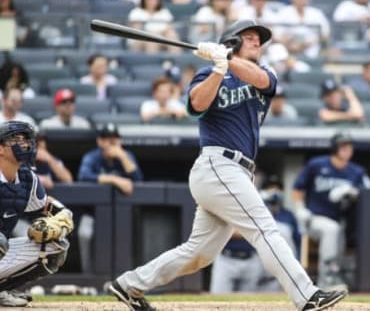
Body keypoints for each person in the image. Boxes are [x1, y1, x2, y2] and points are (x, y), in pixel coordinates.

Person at [108, 19, 347, 311]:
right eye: (249, 37)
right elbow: (196, 105)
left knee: (200, 253)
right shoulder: (208, 74)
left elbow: (261, 80)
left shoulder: (263, 73)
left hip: (235, 172)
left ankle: (130, 284)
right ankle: (306, 296)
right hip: (218, 164)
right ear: (232, 41)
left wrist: (227, 60)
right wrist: (218, 68)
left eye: (259, 39)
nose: (258, 42)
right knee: (265, 229)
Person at [0, 121, 73, 307]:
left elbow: (50, 207)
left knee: (56, 246)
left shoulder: (27, 178)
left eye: (25, 139)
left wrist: (64, 219)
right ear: (0, 148)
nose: (24, 144)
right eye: (15, 139)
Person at [292, 131, 370, 289]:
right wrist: (300, 209)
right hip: (315, 218)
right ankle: (327, 281)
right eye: (343, 147)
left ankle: (327, 283)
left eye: (349, 147)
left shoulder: (357, 171)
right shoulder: (317, 164)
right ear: (334, 148)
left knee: (337, 242)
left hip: (341, 221)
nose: (347, 150)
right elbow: (298, 188)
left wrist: (353, 192)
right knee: (331, 229)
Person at [78, 123, 143, 273]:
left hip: (123, 214)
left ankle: (129, 274)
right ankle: (88, 275)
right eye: (107, 138)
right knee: (84, 233)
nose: (112, 142)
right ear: (99, 141)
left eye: (115, 138)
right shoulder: (93, 157)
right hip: (93, 213)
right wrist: (114, 180)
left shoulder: (126, 156)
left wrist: (121, 156)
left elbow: (138, 179)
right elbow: (83, 176)